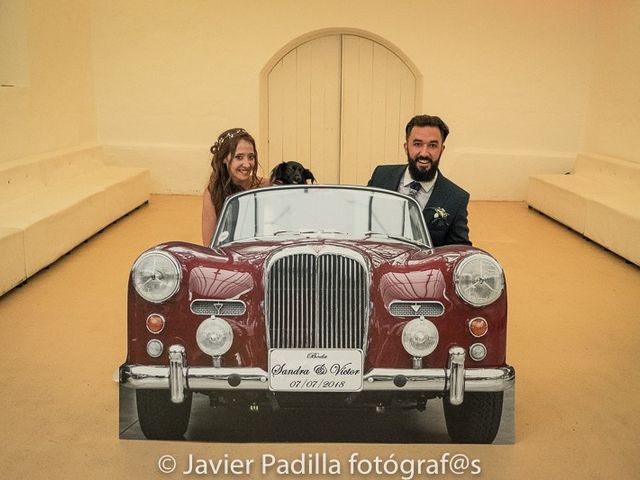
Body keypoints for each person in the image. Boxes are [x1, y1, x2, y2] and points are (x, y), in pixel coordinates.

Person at [367, 115, 471, 247]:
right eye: (417, 144)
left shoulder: (456, 198)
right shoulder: (381, 176)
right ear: (406, 147)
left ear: (442, 150)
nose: (424, 153)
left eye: (432, 145)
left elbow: (460, 250)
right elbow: (361, 220)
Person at [202, 128, 265, 246]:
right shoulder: (213, 193)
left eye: (251, 157)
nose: (247, 164)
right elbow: (209, 245)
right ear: (224, 158)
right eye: (239, 157)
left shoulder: (263, 186)